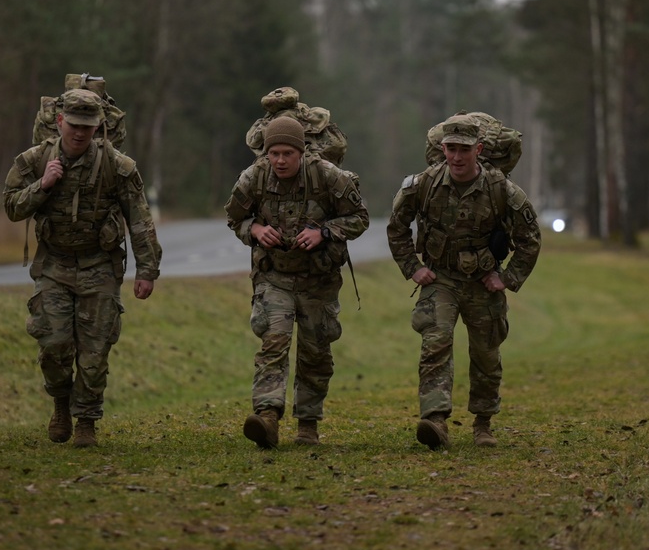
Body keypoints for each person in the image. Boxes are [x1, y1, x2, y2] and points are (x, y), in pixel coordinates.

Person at [4, 88, 162, 448]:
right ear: (60, 122)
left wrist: (147, 270)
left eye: (88, 127)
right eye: (73, 125)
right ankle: (61, 403)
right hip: (54, 266)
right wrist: (42, 186)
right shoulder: (34, 160)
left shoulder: (117, 166)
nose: (79, 133)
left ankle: (87, 421)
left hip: (99, 266)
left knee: (94, 352)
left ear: (98, 127)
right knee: (54, 345)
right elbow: (11, 207)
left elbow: (140, 220)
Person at [387, 115, 541, 450]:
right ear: (442, 149)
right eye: (451, 149)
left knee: (486, 354)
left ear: (479, 149)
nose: (457, 157)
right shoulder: (423, 185)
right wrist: (412, 267)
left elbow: (530, 239)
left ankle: (483, 423)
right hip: (440, 278)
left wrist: (507, 278)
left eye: (464, 150)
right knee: (435, 343)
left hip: (482, 284)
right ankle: (435, 420)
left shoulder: (502, 190)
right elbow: (396, 226)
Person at [224, 116, 369, 449]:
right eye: (274, 153)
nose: (280, 160)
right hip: (274, 277)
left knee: (315, 353)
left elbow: (360, 217)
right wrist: (256, 230)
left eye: (288, 153)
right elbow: (235, 217)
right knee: (273, 344)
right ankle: (267, 416)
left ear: (301, 152)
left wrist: (325, 232)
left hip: (318, 281)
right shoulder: (254, 178)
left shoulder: (327, 177)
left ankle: (307, 424)